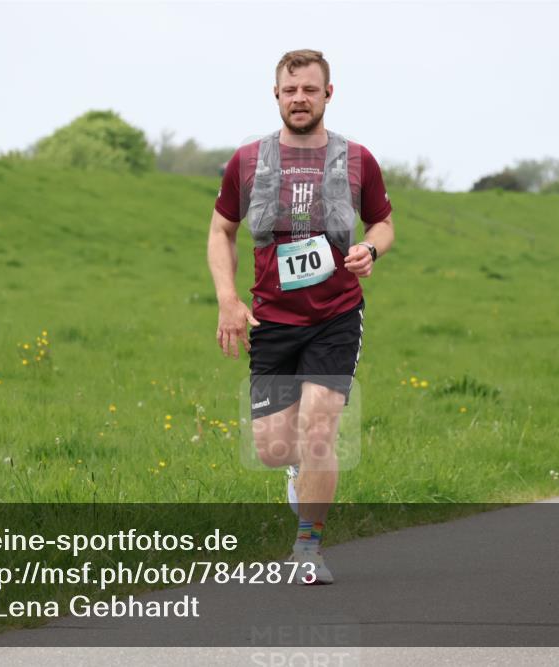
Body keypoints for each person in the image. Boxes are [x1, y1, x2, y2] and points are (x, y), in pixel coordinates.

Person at [206, 49, 394, 584]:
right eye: (290, 91)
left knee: (319, 429)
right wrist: (227, 299)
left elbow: (383, 223)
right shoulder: (246, 161)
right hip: (271, 320)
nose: (300, 99)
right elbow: (221, 231)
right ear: (276, 96)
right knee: (272, 449)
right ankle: (295, 471)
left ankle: (308, 550)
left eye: (310, 89)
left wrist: (371, 251)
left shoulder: (358, 159)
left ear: (327, 94)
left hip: (336, 315)